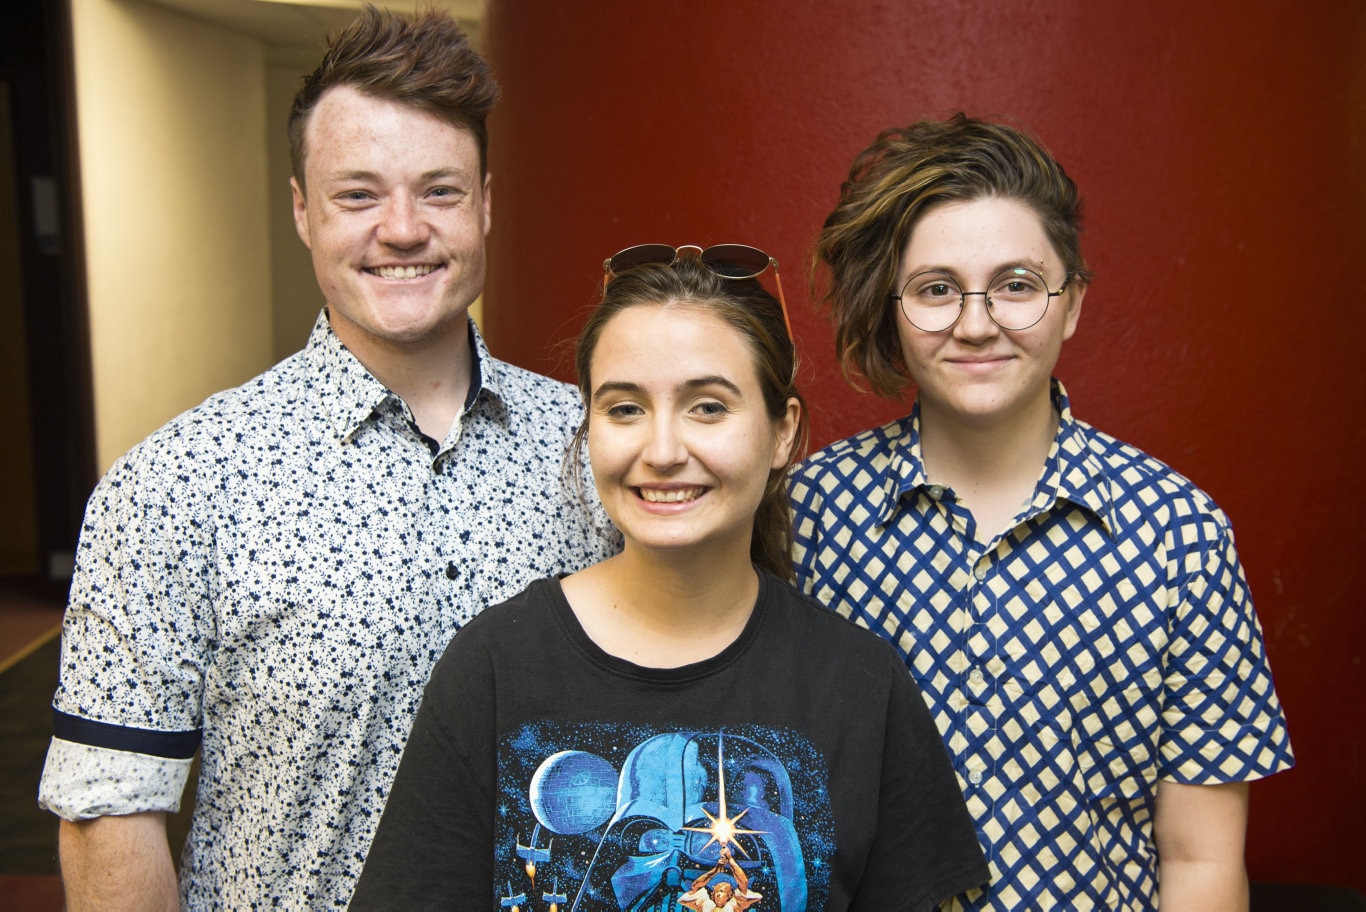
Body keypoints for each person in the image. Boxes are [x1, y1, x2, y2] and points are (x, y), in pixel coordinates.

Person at [37, 8, 616, 909]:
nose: (401, 229)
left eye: (440, 191)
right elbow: (111, 812)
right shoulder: (176, 484)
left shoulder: (596, 453)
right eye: (357, 195)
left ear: (487, 205)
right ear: (303, 211)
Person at [349, 249, 990, 910]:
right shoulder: (494, 667)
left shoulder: (861, 687)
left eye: (707, 407)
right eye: (624, 409)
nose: (661, 451)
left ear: (781, 432)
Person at [787, 114, 1294, 911]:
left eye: (1017, 285)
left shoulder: (1179, 534)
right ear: (894, 308)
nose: (977, 322)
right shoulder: (809, 517)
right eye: (935, 289)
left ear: (1072, 304)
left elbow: (1200, 861)